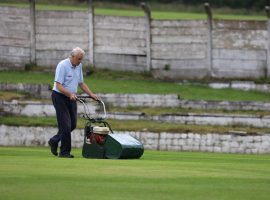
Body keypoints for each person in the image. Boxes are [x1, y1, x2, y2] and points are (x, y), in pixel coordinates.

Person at [48, 47, 99, 158]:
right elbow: (58, 85)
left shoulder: (79, 65)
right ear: (72, 56)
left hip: (72, 97)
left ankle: (54, 140)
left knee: (72, 125)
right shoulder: (62, 65)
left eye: (81, 59)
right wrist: (70, 94)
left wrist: (91, 94)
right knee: (65, 126)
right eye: (78, 59)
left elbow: (81, 83)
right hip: (60, 97)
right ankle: (64, 152)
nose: (80, 61)